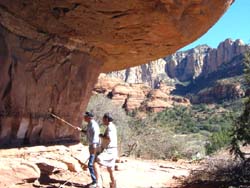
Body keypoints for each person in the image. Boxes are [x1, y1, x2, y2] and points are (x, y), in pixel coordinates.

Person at [96, 113, 118, 188]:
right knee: (111, 169)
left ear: (106, 119)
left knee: (96, 162)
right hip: (113, 150)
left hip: (109, 150)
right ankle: (113, 185)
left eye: (103, 119)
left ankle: (99, 183)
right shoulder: (112, 126)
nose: (103, 121)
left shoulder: (110, 127)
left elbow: (109, 138)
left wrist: (102, 136)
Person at [81, 111, 101, 188]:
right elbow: (89, 133)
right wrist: (81, 130)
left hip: (94, 146)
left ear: (89, 117)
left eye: (85, 116)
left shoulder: (93, 125)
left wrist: (93, 147)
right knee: (92, 164)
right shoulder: (89, 124)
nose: (84, 118)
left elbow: (95, 137)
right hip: (92, 145)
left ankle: (95, 182)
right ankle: (96, 181)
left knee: (91, 164)